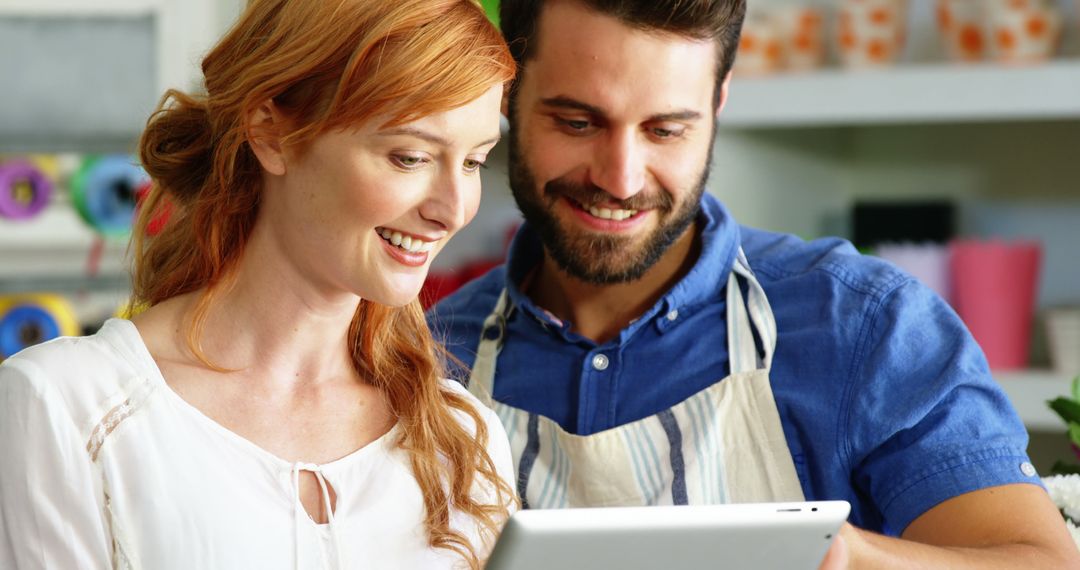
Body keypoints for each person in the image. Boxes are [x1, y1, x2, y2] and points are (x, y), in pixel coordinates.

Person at [429, 0, 1080, 567]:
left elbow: (1040, 561)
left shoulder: (867, 325)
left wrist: (847, 558)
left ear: (718, 103)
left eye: (666, 130)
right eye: (578, 123)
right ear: (507, 96)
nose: (620, 178)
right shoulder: (426, 352)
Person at [0, 1, 517, 568]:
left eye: (474, 162)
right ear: (272, 134)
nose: (452, 210)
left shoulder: (462, 441)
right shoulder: (65, 408)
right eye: (411, 158)